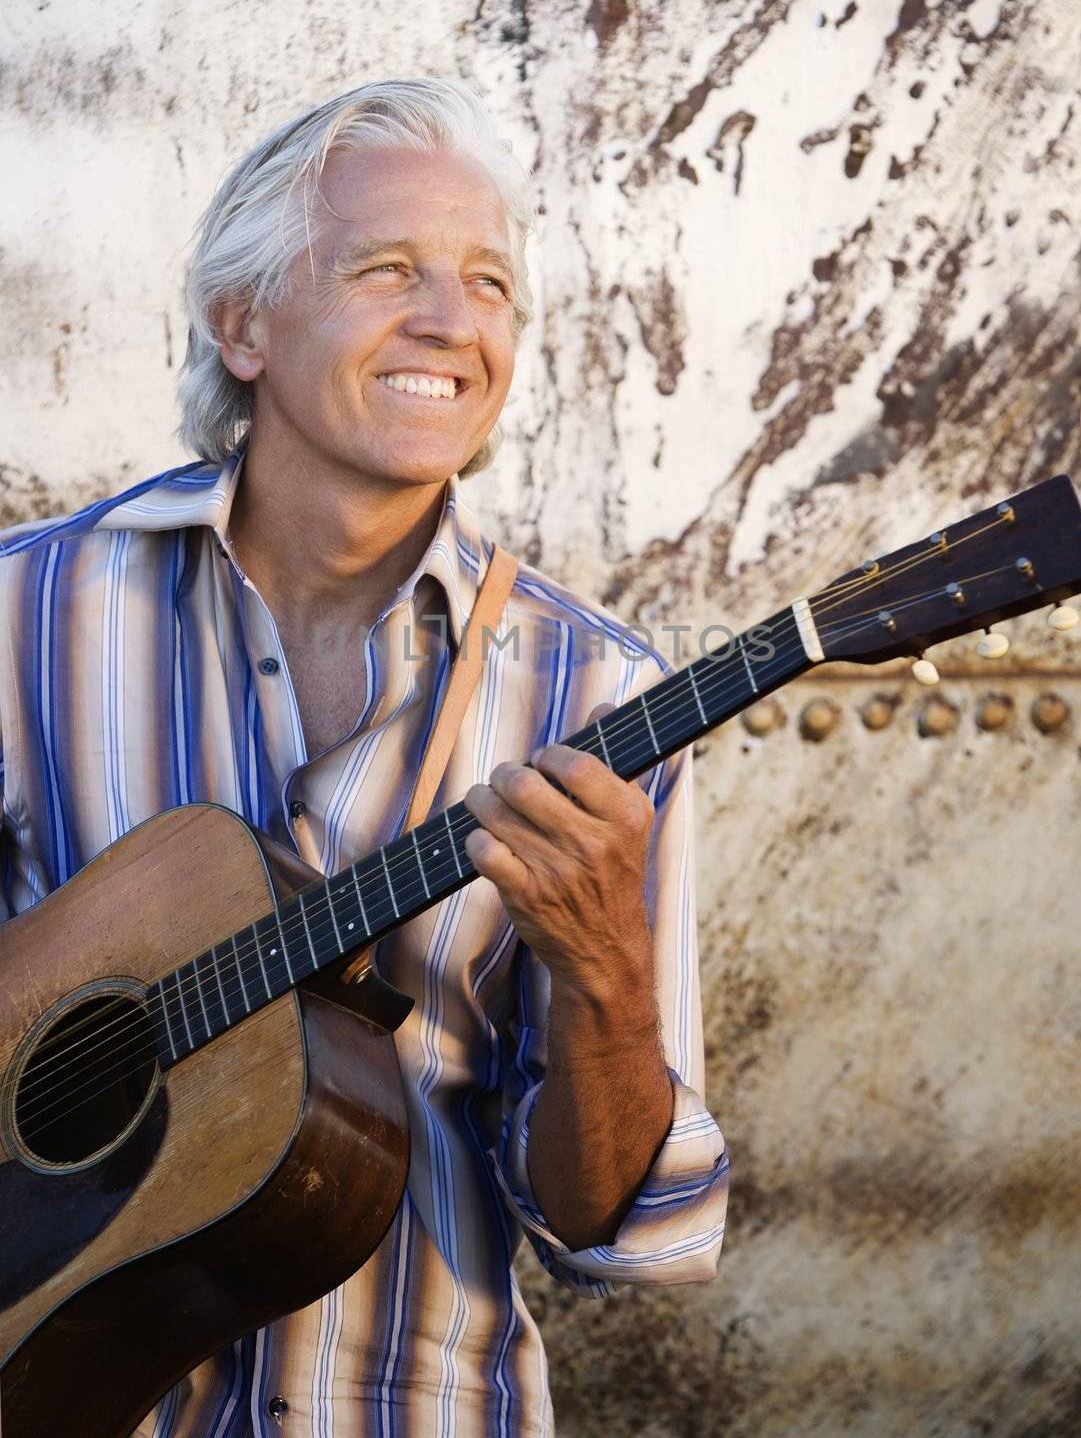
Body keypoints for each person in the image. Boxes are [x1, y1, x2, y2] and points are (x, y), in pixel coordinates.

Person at [0, 79, 729, 1437]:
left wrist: (607, 979)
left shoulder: (599, 691)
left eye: (490, 284)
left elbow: (605, 1228)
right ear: (243, 323)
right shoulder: (21, 618)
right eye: (388, 269)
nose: (452, 322)